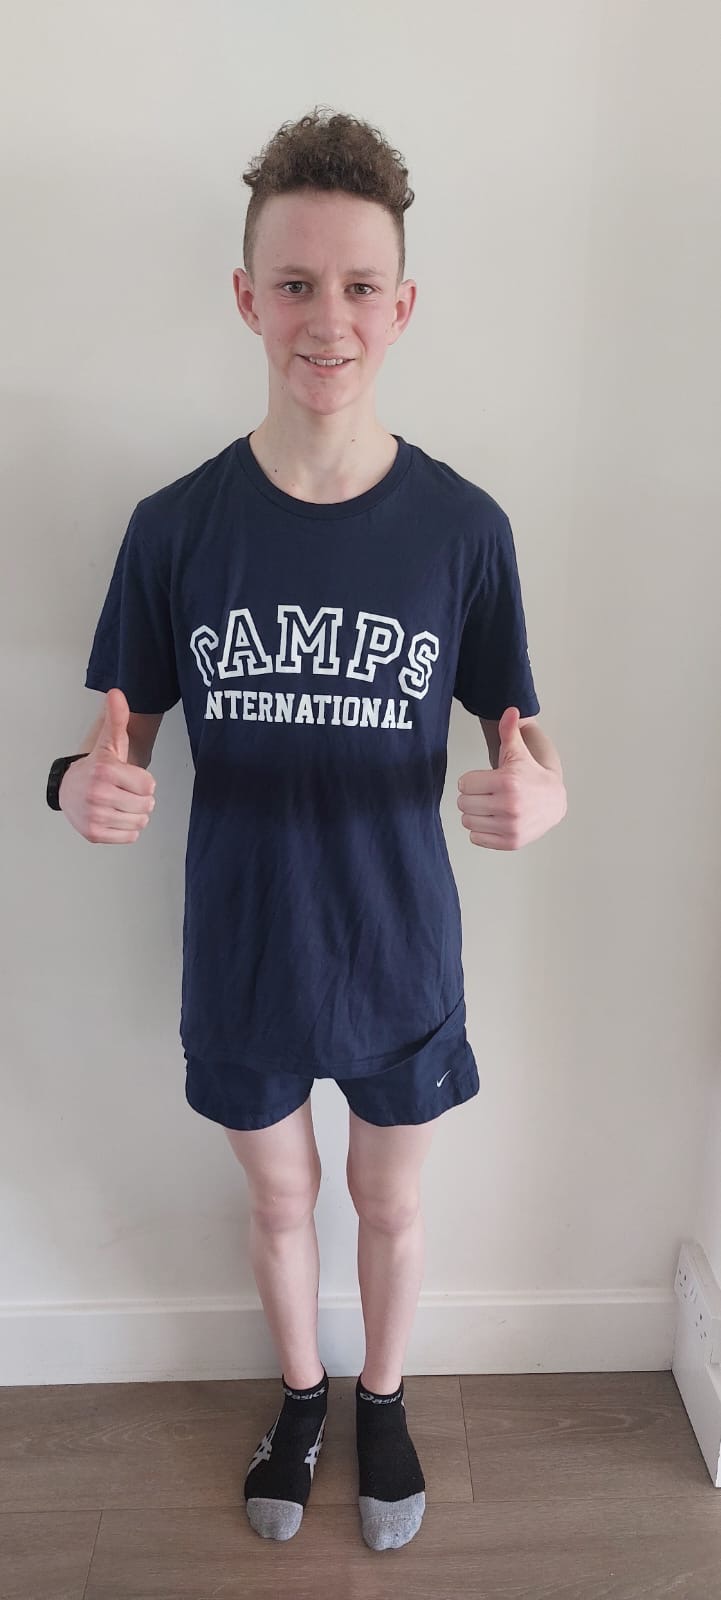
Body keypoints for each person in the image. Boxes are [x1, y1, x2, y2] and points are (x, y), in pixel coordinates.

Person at [48, 106, 563, 1552]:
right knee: (280, 1203)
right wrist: (72, 786)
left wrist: (549, 795)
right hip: (246, 945)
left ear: (401, 305)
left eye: (356, 286)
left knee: (388, 1206)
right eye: (293, 284)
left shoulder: (463, 528)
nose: (324, 318)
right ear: (245, 297)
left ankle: (383, 1402)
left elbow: (524, 736)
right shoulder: (174, 527)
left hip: (398, 948)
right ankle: (300, 1398)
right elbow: (114, 737)